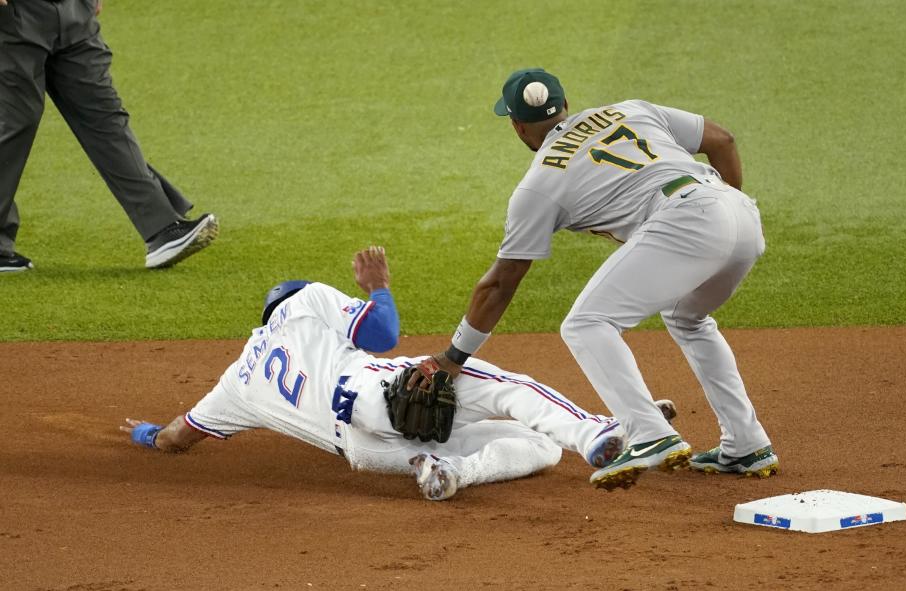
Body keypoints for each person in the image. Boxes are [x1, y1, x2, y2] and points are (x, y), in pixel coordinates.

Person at [412, 68, 779, 491]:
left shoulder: (538, 185)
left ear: (516, 126)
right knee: (688, 318)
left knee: (586, 324)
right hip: (738, 211)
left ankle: (649, 435)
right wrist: (725, 211)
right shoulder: (629, 110)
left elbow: (500, 283)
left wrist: (454, 356)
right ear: (566, 105)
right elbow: (722, 140)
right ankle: (746, 445)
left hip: (686, 220)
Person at [121, 247, 676, 500]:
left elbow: (178, 436)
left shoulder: (236, 380)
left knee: (537, 448)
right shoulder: (306, 301)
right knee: (503, 386)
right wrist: (378, 287)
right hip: (377, 393)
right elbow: (381, 335)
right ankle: (598, 432)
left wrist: (148, 435)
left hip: (364, 451)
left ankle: (454, 473)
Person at [0, 0, 218, 272]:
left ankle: (162, 228)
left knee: (103, 113)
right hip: (11, 16)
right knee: (14, 121)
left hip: (73, 11)